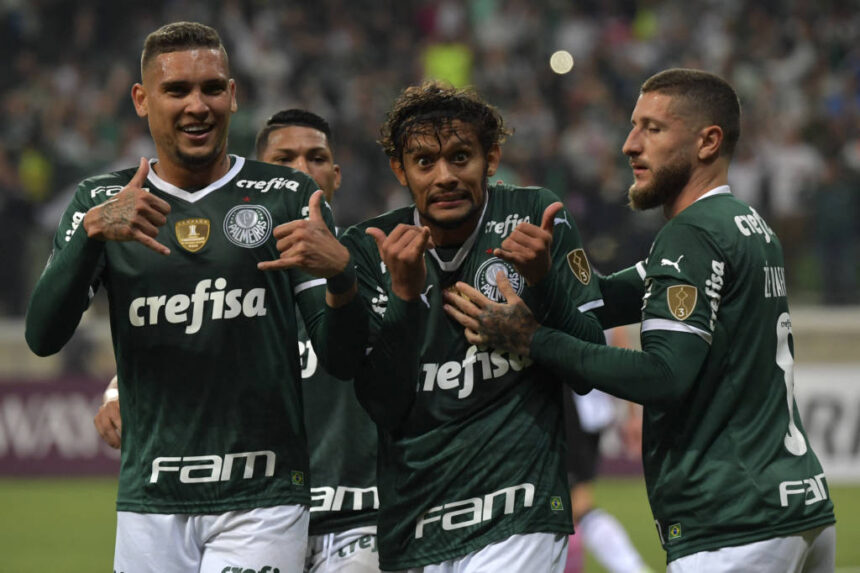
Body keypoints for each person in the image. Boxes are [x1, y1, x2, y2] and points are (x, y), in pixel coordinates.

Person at [443, 68, 836, 572]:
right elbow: (602, 300)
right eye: (633, 126)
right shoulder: (749, 226)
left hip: (733, 522)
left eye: (652, 128)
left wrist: (532, 339)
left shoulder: (691, 236)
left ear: (707, 141)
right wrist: (543, 276)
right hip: (797, 504)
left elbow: (665, 375)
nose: (629, 145)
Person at [26, 22, 366, 573]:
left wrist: (343, 278)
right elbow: (42, 337)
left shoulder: (288, 196)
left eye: (211, 88)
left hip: (263, 494)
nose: (197, 106)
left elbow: (343, 357)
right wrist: (89, 235)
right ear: (141, 99)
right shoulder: (102, 201)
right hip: (150, 499)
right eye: (176, 90)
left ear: (233, 95)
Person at [332, 81, 607, 572]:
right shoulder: (372, 247)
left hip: (518, 508)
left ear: (492, 158)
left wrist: (542, 288)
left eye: (461, 157)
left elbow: (589, 367)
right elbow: (384, 405)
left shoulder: (535, 219)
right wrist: (404, 297)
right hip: (414, 519)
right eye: (424, 163)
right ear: (400, 169)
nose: (445, 177)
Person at [94, 108, 382, 573]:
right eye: (285, 158)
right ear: (260, 175)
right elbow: (180, 346)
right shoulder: (229, 275)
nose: (302, 171)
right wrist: (115, 389)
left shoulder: (375, 262)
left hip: (357, 520)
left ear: (337, 174)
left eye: (316, 157)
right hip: (252, 508)